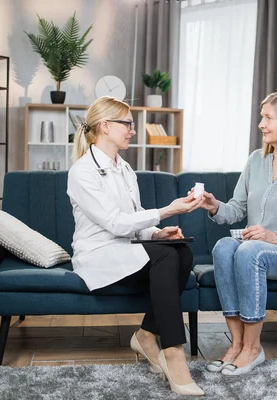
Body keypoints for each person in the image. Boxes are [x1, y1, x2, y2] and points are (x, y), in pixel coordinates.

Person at [67, 96, 205, 396]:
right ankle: (173, 353)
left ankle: (145, 335)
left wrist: (157, 233)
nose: (133, 130)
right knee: (167, 258)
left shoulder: (125, 169)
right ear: (105, 126)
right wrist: (169, 209)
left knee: (181, 250)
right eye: (127, 123)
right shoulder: (82, 172)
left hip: (127, 250)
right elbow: (116, 223)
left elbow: (134, 219)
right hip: (99, 256)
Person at [196, 91, 277, 376]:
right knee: (222, 247)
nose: (261, 124)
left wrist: (275, 237)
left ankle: (254, 349)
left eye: (268, 118)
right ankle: (238, 343)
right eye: (262, 117)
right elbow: (236, 209)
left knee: (249, 250)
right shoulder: (256, 160)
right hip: (257, 249)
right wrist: (214, 205)